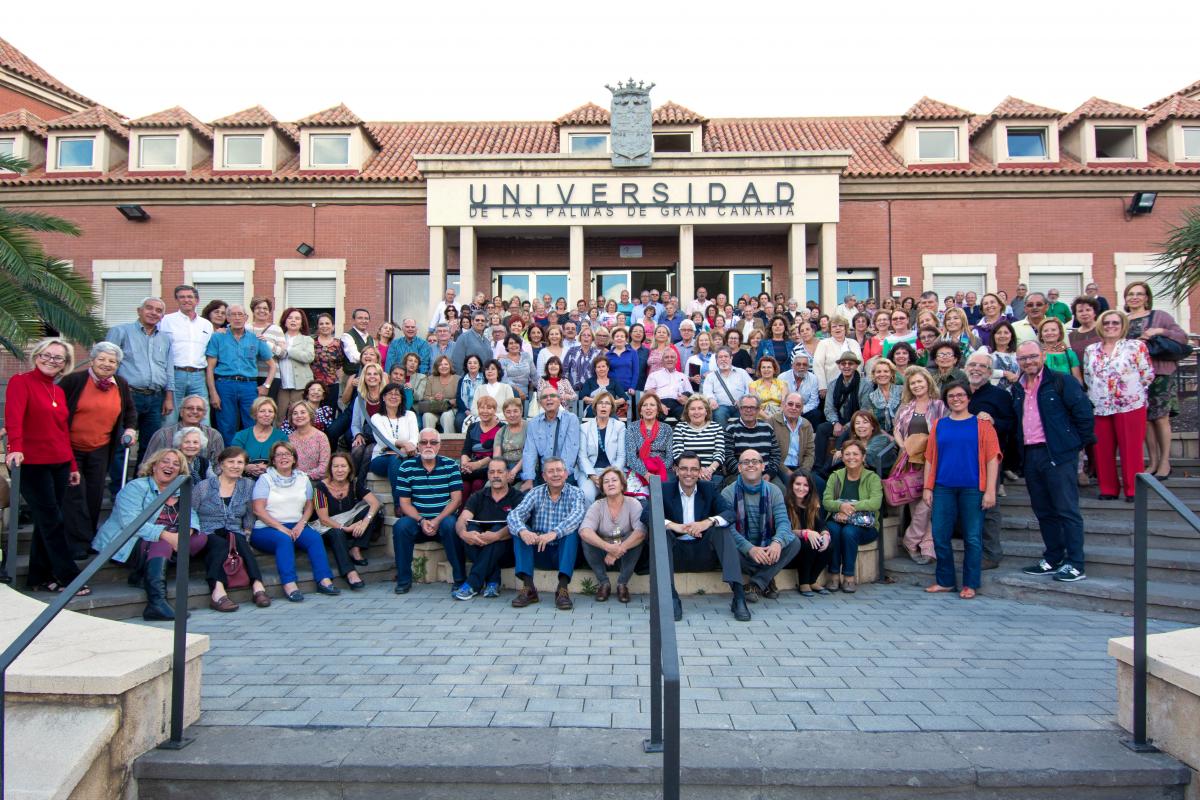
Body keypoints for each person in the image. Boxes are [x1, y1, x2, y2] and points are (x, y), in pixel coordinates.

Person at [5, 338, 86, 595]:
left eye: (58, 358)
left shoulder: (58, 390)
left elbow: (62, 431)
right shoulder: (21, 382)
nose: (51, 361)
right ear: (37, 355)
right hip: (32, 463)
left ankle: (38, 577)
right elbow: (13, 418)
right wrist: (15, 447)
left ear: (65, 364)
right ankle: (68, 576)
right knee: (52, 520)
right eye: (47, 355)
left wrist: (72, 464)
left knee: (45, 522)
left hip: (60, 463)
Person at [1013, 341, 1095, 583]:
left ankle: (1076, 563)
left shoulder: (1061, 381)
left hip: (1057, 454)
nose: (1028, 362)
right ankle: (1053, 557)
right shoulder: (1017, 388)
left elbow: (1084, 414)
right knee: (1043, 510)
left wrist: (1073, 446)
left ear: (1043, 356)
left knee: (1066, 510)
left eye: (1032, 356)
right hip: (1031, 454)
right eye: (1023, 358)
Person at [93, 448, 204, 619]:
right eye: (165, 461)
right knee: (161, 544)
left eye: (176, 464)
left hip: (169, 541)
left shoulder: (179, 491)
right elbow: (131, 523)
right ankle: (156, 603)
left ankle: (142, 574)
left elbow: (192, 516)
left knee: (202, 538)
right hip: (130, 541)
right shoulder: (136, 487)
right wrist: (169, 537)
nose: (170, 466)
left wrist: (185, 533)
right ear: (154, 466)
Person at [922, 380, 1002, 599]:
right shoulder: (939, 424)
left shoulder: (982, 425)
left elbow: (992, 458)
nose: (956, 399)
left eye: (960, 395)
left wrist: (990, 491)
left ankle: (970, 583)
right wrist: (927, 487)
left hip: (973, 488)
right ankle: (945, 580)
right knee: (939, 535)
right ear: (946, 400)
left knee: (973, 537)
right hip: (943, 487)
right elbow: (930, 457)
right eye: (951, 396)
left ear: (968, 398)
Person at [60, 341, 137, 558]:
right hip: (71, 447)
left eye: (112, 361)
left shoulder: (120, 384)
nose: (107, 364)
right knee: (75, 494)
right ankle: (76, 544)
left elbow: (130, 411)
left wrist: (130, 429)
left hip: (101, 448)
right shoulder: (73, 380)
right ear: (92, 360)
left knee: (93, 495)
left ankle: (89, 538)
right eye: (102, 359)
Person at [655, 452, 749, 620]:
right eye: (684, 468)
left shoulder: (708, 488)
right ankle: (671, 597)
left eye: (694, 469)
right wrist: (674, 526)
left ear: (699, 472)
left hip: (703, 552)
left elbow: (730, 513)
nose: (689, 473)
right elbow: (647, 514)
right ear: (676, 470)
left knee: (721, 529)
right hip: (675, 553)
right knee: (663, 532)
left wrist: (707, 522)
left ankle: (739, 596)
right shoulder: (665, 489)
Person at [250, 441, 340, 601]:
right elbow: (258, 510)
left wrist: (301, 523)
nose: (283, 458)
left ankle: (324, 580)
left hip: (296, 525)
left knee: (314, 538)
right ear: (273, 459)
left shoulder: (302, 478)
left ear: (294, 458)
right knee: (284, 539)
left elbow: (309, 506)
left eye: (287, 454)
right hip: (266, 528)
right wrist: (280, 528)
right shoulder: (265, 479)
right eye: (279, 455)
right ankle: (289, 583)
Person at [1085, 310, 1154, 501]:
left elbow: (1147, 374)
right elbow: (1088, 377)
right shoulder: (1091, 350)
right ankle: (1108, 488)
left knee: (1131, 449)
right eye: (1106, 323)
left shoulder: (1135, 346)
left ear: (1123, 325)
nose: (1110, 326)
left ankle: (1133, 490)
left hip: (1130, 404)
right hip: (1100, 405)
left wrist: (1130, 392)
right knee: (1103, 449)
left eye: (1115, 323)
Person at [1124, 280, 1189, 480]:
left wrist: (1159, 331)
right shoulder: (1123, 320)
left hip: (1160, 372)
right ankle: (1152, 461)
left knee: (1161, 417)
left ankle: (1165, 462)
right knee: (1145, 418)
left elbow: (1181, 336)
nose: (1134, 297)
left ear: (1146, 297)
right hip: (1135, 376)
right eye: (1130, 294)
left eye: (1139, 293)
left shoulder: (1159, 316)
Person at [193, 447, 271, 611]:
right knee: (219, 545)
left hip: (234, 530)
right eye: (231, 462)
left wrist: (248, 529)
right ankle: (218, 592)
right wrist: (195, 531)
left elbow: (250, 512)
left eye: (240, 462)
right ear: (221, 464)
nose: (235, 466)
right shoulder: (204, 486)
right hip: (208, 530)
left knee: (241, 541)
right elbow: (191, 511)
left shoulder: (248, 485)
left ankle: (258, 587)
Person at [105, 297, 175, 477]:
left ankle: (141, 483)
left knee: (150, 445)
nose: (153, 313)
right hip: (128, 396)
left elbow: (168, 369)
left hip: (155, 398)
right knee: (122, 442)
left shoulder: (165, 339)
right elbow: (106, 363)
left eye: (158, 310)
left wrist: (168, 397)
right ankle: (118, 489)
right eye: (149, 308)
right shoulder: (120, 332)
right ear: (139, 311)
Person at [506, 457, 588, 610]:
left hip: (564, 553)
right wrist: (523, 531)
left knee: (571, 533)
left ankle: (562, 589)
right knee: (520, 531)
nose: (555, 474)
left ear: (566, 473)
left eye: (559, 470)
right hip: (540, 550)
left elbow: (576, 517)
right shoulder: (535, 493)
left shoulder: (576, 493)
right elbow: (514, 515)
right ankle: (529, 588)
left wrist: (554, 533)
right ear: (544, 476)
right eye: (550, 471)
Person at [721, 449, 802, 603]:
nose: (751, 465)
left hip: (767, 548)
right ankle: (766, 579)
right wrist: (749, 548)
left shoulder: (774, 491)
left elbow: (784, 522)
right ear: (739, 468)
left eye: (755, 462)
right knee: (724, 543)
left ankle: (755, 584)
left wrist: (777, 542)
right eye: (746, 462)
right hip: (743, 551)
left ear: (763, 466)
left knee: (794, 542)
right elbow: (728, 528)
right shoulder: (728, 493)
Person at [389, 430, 464, 593]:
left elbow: (456, 500)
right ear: (418, 446)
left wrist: (437, 520)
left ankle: (459, 578)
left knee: (451, 524)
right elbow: (404, 503)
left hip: (443, 520)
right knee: (401, 527)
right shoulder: (406, 467)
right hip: (418, 521)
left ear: (439, 446)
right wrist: (422, 520)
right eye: (424, 442)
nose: (428, 446)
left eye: (433, 442)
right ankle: (403, 580)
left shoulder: (450, 465)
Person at [965, 352, 1017, 567]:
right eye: (972, 365)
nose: (976, 369)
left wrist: (994, 421)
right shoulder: (957, 391)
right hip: (960, 459)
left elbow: (1011, 426)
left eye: (982, 367)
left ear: (989, 371)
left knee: (989, 507)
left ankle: (991, 554)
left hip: (987, 459)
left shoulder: (1000, 395)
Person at [893, 366, 945, 564]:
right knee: (917, 504)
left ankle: (911, 540)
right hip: (909, 460)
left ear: (928, 383)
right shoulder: (906, 407)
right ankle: (926, 546)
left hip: (932, 459)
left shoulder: (939, 406)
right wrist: (904, 446)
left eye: (920, 382)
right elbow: (897, 430)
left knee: (928, 503)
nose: (916, 385)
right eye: (913, 383)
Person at [205, 304, 277, 442]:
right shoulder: (218, 337)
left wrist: (266, 386)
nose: (237, 318)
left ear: (246, 317)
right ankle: (229, 459)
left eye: (240, 314)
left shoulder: (255, 339)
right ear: (227, 317)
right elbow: (210, 367)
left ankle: (250, 457)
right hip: (224, 384)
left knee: (252, 422)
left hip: (248, 386)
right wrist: (213, 393)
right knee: (226, 424)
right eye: (233, 314)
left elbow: (272, 365)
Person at [453, 459, 522, 600]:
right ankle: (493, 581)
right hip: (480, 546)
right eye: (492, 472)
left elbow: (518, 525)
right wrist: (463, 533)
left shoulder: (517, 497)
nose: (496, 475)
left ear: (508, 474)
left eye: (500, 472)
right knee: (470, 528)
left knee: (499, 528)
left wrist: (496, 535)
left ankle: (472, 584)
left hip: (506, 552)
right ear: (488, 475)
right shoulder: (478, 496)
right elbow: (462, 519)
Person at [821, 440, 883, 593]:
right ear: (842, 457)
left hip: (865, 526)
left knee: (849, 532)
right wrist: (840, 507)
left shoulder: (872, 477)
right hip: (837, 520)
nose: (851, 457)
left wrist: (848, 508)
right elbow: (826, 501)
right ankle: (834, 574)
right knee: (833, 530)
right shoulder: (835, 476)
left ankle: (849, 577)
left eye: (855, 454)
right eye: (847, 454)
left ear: (863, 457)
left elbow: (875, 503)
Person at [312, 452, 379, 590]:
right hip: (328, 528)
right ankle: (350, 573)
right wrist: (345, 528)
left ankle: (356, 548)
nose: (340, 470)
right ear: (330, 469)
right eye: (336, 466)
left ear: (349, 468)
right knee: (337, 533)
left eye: (343, 466)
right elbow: (324, 519)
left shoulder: (354, 483)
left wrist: (365, 521)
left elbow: (374, 503)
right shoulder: (320, 488)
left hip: (350, 524)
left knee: (373, 514)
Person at [579, 468, 646, 603]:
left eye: (614, 480)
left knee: (636, 536)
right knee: (587, 538)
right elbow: (584, 530)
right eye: (606, 482)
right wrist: (608, 548)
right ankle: (604, 583)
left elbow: (641, 532)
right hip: (603, 556)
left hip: (625, 556)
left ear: (622, 485)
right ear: (602, 487)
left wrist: (618, 550)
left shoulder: (633, 503)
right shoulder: (597, 506)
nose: (610, 484)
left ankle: (622, 584)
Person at [159, 284, 213, 417]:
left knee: (202, 417)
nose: (186, 300)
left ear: (197, 300)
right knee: (170, 417)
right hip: (174, 374)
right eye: (181, 297)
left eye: (190, 297)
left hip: (198, 376)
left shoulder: (206, 324)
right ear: (177, 300)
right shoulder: (166, 321)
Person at [519, 389, 581, 489]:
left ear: (559, 399)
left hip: (565, 473)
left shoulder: (571, 419)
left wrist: (561, 476)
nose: (548, 399)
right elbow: (529, 452)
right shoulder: (534, 423)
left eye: (552, 395)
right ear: (540, 403)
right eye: (544, 397)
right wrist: (529, 479)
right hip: (544, 475)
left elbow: (570, 450)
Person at [784, 469, 832, 596]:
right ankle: (804, 583)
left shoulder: (812, 504)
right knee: (807, 543)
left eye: (805, 485)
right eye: (798, 484)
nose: (801, 488)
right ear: (791, 485)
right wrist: (804, 533)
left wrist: (825, 534)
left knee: (828, 543)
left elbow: (821, 524)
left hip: (809, 550)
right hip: (790, 550)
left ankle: (812, 580)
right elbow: (783, 531)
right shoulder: (784, 504)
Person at [814, 352, 863, 472]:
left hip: (857, 423)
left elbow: (864, 410)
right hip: (838, 420)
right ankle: (818, 466)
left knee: (844, 434)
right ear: (839, 366)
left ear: (856, 366)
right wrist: (835, 422)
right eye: (843, 363)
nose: (846, 366)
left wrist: (847, 425)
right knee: (821, 428)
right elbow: (828, 408)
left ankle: (830, 468)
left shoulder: (864, 384)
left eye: (850, 363)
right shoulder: (833, 384)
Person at [724, 395, 785, 490]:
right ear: (740, 409)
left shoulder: (767, 428)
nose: (748, 410)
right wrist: (747, 474)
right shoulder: (731, 429)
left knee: (780, 489)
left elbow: (776, 454)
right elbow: (728, 457)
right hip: (740, 474)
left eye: (752, 407)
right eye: (745, 407)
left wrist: (769, 473)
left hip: (765, 474)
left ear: (758, 410)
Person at [145, 395, 225, 467]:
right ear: (181, 412)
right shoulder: (163, 434)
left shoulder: (214, 435)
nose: (194, 411)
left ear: (204, 414)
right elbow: (148, 464)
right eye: (189, 408)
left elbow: (219, 466)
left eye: (199, 409)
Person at [577, 392, 626, 503]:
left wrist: (611, 475)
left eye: (607, 403)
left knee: (615, 495)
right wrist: (594, 477)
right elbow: (582, 456)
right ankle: (590, 521)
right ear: (595, 406)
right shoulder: (584, 427)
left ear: (611, 408)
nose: (603, 406)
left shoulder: (620, 426)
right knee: (586, 495)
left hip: (613, 470)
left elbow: (621, 456)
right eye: (600, 403)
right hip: (590, 473)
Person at [366, 382, 419, 482]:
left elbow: (414, 437)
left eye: (397, 394)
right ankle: (400, 497)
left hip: (407, 455)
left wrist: (406, 449)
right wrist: (403, 446)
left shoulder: (410, 415)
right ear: (383, 397)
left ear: (401, 399)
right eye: (390, 394)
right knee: (395, 460)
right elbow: (383, 440)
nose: (393, 397)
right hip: (381, 458)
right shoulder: (376, 417)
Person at [669, 395, 726, 487]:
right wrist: (695, 470)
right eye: (692, 409)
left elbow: (719, 453)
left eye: (700, 408)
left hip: (711, 472)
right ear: (687, 412)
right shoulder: (680, 427)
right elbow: (678, 453)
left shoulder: (716, 427)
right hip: (687, 471)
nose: (696, 412)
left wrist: (709, 470)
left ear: (706, 411)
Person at [626, 393, 674, 496]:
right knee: (640, 502)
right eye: (645, 405)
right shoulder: (632, 428)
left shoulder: (667, 429)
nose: (648, 408)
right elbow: (631, 457)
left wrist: (658, 471)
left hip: (662, 468)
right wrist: (646, 474)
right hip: (639, 469)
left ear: (657, 410)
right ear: (640, 411)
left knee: (665, 497)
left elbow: (670, 456)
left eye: (652, 405)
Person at [231, 397, 287, 479]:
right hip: (244, 479)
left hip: (274, 480)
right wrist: (246, 467)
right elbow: (232, 459)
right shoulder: (241, 436)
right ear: (255, 414)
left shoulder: (282, 437)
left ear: (274, 415)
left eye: (270, 411)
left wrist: (268, 468)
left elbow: (286, 461)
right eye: (262, 411)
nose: (267, 414)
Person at [461, 395, 504, 496]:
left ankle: (476, 510)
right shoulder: (472, 427)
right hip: (472, 464)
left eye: (489, 408)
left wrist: (477, 465)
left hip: (490, 466)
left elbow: (497, 454)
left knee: (477, 484)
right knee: (464, 485)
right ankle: (462, 511)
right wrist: (464, 464)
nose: (485, 411)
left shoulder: (502, 428)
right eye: (482, 408)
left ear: (494, 410)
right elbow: (466, 450)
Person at [274, 307, 315, 412]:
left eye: (297, 318)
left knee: (298, 414)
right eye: (290, 318)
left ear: (301, 323)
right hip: (281, 384)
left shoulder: (307, 339)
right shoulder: (278, 338)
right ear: (285, 321)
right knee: (280, 416)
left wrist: (288, 349)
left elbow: (309, 357)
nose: (293, 320)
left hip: (300, 385)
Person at [769, 392, 816, 476]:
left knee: (821, 484)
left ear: (802, 409)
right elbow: (770, 453)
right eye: (790, 404)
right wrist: (788, 472)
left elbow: (810, 453)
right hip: (779, 468)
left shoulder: (806, 425)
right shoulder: (772, 421)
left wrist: (803, 472)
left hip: (800, 469)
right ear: (783, 405)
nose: (794, 408)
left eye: (798, 406)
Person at [703, 346, 753, 425]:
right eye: (720, 357)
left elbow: (751, 388)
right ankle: (722, 437)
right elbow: (707, 392)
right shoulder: (711, 376)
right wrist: (711, 400)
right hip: (721, 406)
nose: (723, 359)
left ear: (731, 358)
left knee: (747, 414)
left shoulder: (742, 372)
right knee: (719, 414)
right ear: (716, 360)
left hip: (741, 406)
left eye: (726, 356)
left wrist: (744, 400)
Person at [285, 400, 330, 480]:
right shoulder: (289, 438)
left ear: (310, 414)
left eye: (303, 412)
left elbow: (324, 467)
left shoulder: (321, 437)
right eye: (295, 413)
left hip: (315, 482)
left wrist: (304, 476)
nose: (299, 416)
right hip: (292, 481)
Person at [643, 348, 691, 419]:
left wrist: (686, 400)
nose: (669, 359)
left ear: (676, 360)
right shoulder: (654, 375)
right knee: (655, 415)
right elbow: (648, 394)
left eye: (672, 357)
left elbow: (690, 393)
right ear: (662, 361)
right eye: (666, 357)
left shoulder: (683, 376)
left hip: (678, 404)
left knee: (687, 416)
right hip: (659, 403)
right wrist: (659, 404)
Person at [858, 358, 902, 434]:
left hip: (904, 432)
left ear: (891, 374)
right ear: (874, 375)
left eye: (886, 371)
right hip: (882, 435)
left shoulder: (902, 391)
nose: (882, 374)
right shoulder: (870, 397)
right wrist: (888, 437)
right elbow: (871, 423)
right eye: (878, 372)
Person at [310, 313, 345, 407]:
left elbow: (341, 364)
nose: (324, 326)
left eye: (327, 323)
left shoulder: (338, 343)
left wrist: (339, 380)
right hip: (313, 386)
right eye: (321, 324)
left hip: (332, 385)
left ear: (333, 326)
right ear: (318, 326)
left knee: (330, 413)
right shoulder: (311, 342)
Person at [419, 355, 459, 433]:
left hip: (451, 409)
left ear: (450, 366)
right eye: (440, 365)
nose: (443, 366)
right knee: (427, 416)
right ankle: (429, 441)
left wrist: (447, 400)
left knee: (446, 416)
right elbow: (425, 397)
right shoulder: (431, 379)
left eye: (446, 364)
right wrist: (434, 398)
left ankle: (448, 442)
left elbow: (460, 399)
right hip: (434, 409)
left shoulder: (458, 379)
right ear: (437, 367)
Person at [1038, 317, 1082, 383]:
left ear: (1060, 333)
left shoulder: (1070, 354)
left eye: (1053, 330)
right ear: (1041, 335)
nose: (1049, 333)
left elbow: (1077, 379)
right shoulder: (1037, 355)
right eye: (1045, 330)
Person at [495, 397, 528, 484]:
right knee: (489, 487)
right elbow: (497, 458)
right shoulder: (501, 432)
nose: (512, 415)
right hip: (505, 468)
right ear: (504, 414)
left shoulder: (529, 427)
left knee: (519, 493)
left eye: (515, 411)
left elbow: (530, 454)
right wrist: (504, 473)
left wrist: (513, 472)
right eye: (508, 412)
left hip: (525, 468)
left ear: (521, 411)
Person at [340, 308, 375, 386]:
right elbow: (354, 357)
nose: (364, 321)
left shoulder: (371, 339)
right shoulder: (347, 336)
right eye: (360, 318)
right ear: (353, 320)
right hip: (351, 378)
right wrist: (371, 359)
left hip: (368, 377)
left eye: (366, 318)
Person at [451, 311, 493, 376]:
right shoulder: (463, 337)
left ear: (485, 323)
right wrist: (464, 379)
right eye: (477, 320)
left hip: (485, 380)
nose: (480, 322)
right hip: (469, 380)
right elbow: (457, 362)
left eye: (482, 320)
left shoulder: (487, 341)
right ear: (472, 322)